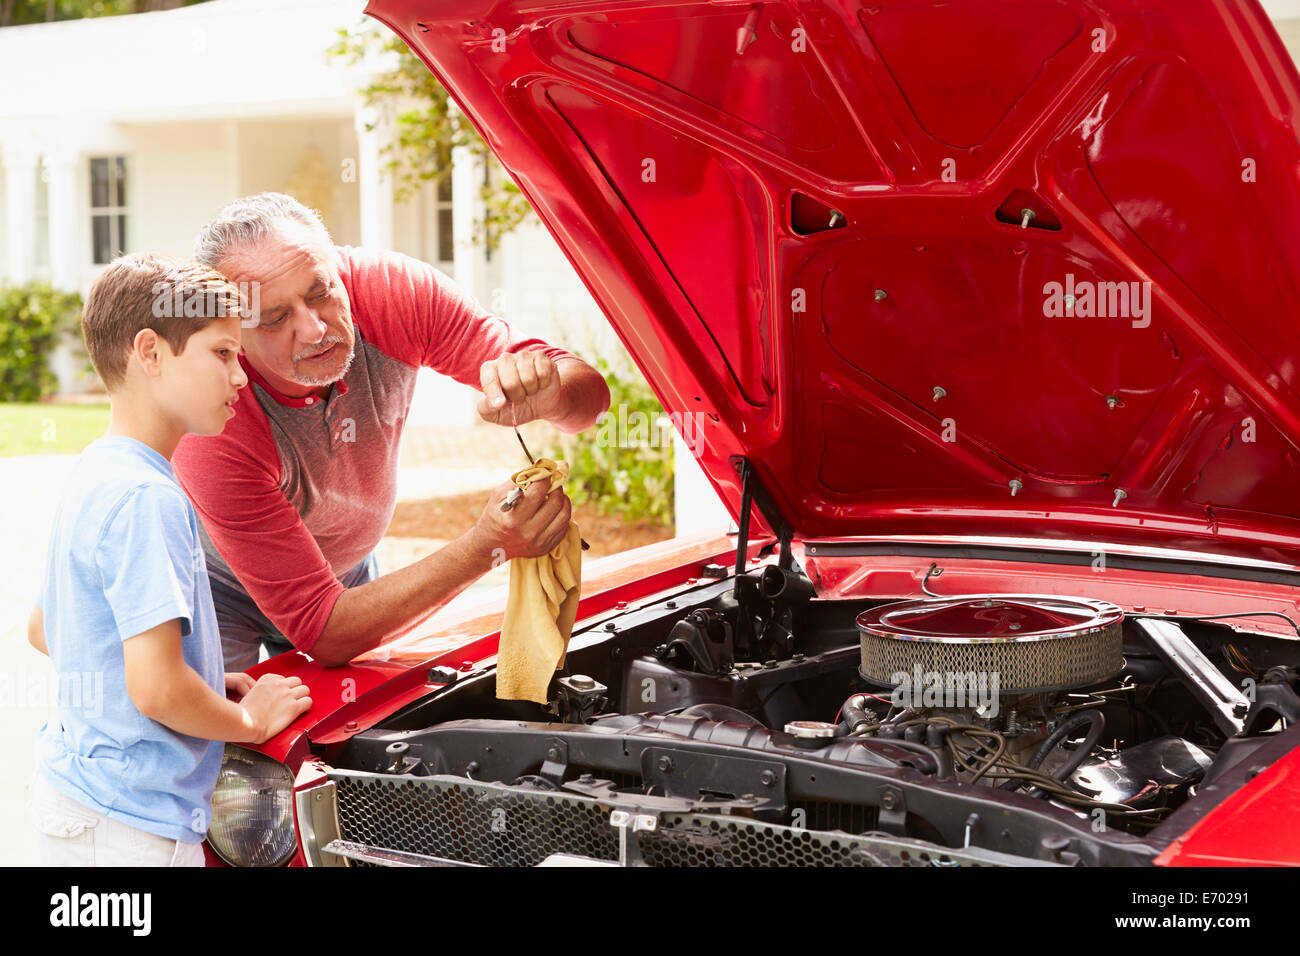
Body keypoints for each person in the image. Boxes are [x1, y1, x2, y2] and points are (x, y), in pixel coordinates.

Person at [172, 192, 611, 670]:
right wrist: (486, 547)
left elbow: (590, 401)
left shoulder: (392, 293)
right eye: (275, 318)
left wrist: (552, 395)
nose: (315, 328)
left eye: (321, 292)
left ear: (338, 265)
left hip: (344, 576)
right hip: (215, 587)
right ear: (231, 328)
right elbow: (324, 630)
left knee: (356, 728)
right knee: (217, 737)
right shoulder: (210, 415)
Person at [25, 253, 312, 866]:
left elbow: (48, 628)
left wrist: (202, 677)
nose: (243, 377)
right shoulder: (148, 497)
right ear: (150, 353)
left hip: (74, 801)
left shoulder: (99, 468)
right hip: (132, 832)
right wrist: (251, 722)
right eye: (223, 353)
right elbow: (155, 688)